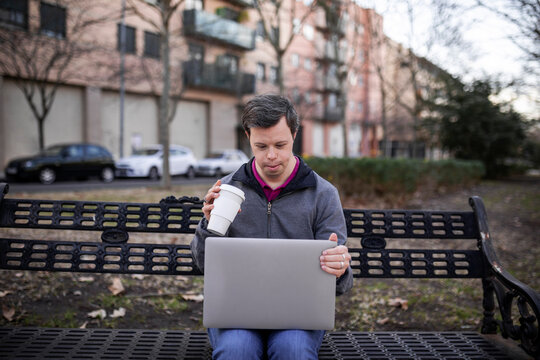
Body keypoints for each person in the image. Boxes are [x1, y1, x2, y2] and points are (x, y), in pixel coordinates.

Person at [190, 94, 353, 359]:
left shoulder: (323, 194)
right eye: (261, 146)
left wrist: (339, 268)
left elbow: (341, 284)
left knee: (294, 350)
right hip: (235, 312)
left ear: (295, 134)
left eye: (281, 144)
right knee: (236, 350)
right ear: (248, 136)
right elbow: (203, 263)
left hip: (299, 315)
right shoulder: (227, 191)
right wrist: (208, 225)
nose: (272, 156)